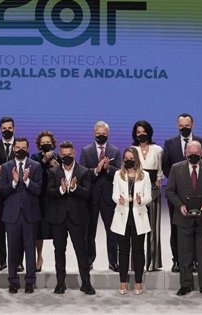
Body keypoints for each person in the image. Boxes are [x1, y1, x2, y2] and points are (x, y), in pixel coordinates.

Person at [166, 141, 202, 297]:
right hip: (183, 218)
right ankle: (186, 284)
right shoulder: (176, 168)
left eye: (196, 152)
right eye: (190, 152)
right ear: (185, 153)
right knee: (185, 253)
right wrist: (179, 206)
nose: (193, 155)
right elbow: (170, 191)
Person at [162, 113, 202, 272]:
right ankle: (177, 260)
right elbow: (166, 166)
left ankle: (196, 260)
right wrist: (179, 183)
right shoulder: (169, 143)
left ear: (192, 125)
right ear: (177, 126)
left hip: (199, 194)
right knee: (177, 227)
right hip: (176, 194)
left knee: (198, 226)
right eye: (181, 126)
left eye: (187, 125)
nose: (184, 128)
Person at [46, 141, 95, 295]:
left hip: (78, 218)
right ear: (60, 155)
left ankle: (86, 283)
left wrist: (74, 188)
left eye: (69, 154)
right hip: (58, 218)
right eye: (63, 155)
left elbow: (87, 193)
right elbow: (49, 192)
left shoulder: (84, 171)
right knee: (59, 251)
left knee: (81, 251)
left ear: (74, 154)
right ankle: (60, 283)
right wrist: (61, 189)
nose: (66, 157)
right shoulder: (53, 172)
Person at [0, 137, 42, 294]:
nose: (20, 150)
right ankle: (13, 281)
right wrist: (14, 182)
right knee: (12, 249)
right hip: (11, 215)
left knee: (30, 249)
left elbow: (38, 190)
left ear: (28, 148)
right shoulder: (6, 167)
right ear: (13, 149)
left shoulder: (35, 166)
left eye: (23, 147)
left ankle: (30, 281)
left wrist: (26, 181)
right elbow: (3, 191)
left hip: (30, 215)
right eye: (17, 147)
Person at [79, 121, 121, 272]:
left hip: (109, 198)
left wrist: (108, 168)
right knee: (90, 232)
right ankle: (89, 260)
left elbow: (120, 172)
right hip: (91, 197)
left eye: (104, 134)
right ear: (94, 134)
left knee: (112, 232)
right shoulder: (86, 150)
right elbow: (82, 173)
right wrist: (96, 170)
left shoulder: (115, 151)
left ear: (108, 134)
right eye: (99, 134)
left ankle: (113, 261)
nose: (101, 136)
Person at [110, 147, 152, 295]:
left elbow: (149, 196)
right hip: (122, 216)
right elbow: (114, 195)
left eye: (131, 158)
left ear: (136, 159)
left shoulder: (144, 175)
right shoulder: (118, 174)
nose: (129, 160)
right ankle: (123, 282)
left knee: (139, 251)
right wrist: (119, 200)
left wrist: (141, 200)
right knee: (123, 251)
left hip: (138, 216)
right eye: (126, 158)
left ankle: (139, 282)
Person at [131, 120, 163, 272]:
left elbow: (160, 170)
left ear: (149, 132)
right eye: (138, 132)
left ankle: (153, 262)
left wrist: (158, 180)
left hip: (153, 190)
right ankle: (136, 263)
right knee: (136, 228)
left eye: (144, 131)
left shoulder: (157, 149)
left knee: (153, 229)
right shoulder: (132, 149)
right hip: (136, 190)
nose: (141, 134)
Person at [0, 116, 18, 272]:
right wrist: (2, 169)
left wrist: (3, 169)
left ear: (14, 128)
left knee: (16, 228)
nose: (7, 130)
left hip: (17, 191)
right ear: (0, 129)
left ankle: (18, 261)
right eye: (4, 128)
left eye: (10, 128)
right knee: (0, 228)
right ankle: (1, 261)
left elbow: (22, 164)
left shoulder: (20, 145)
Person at [30, 131, 59, 272]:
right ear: (39, 145)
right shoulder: (35, 157)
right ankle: (39, 257)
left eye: (48, 142)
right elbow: (34, 174)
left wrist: (56, 166)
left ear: (53, 144)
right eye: (43, 143)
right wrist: (43, 162)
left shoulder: (58, 157)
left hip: (54, 199)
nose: (46, 145)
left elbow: (62, 176)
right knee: (39, 231)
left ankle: (58, 259)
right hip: (40, 199)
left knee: (56, 231)